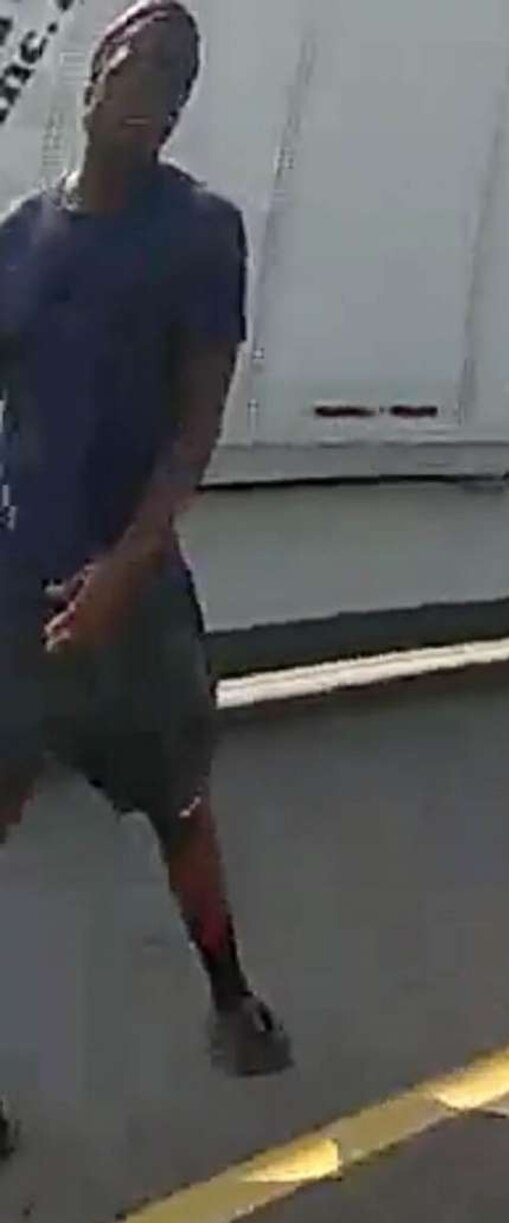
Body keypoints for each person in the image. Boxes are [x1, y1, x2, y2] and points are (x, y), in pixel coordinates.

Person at [0, 1, 294, 1162]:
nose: (146, 79)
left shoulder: (200, 233)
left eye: (174, 69)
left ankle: (230, 995)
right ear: (91, 75)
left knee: (179, 809)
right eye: (130, 54)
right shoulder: (21, 238)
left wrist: (127, 569)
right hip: (15, 590)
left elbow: (195, 426)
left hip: (134, 599)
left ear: (180, 106)